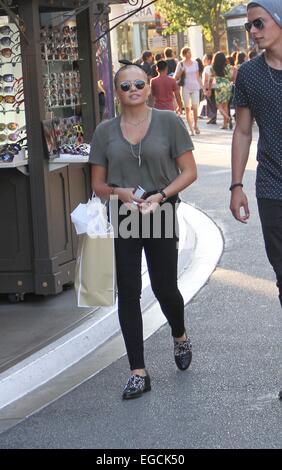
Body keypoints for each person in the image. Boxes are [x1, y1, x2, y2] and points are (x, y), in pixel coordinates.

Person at [89, 63, 197, 399]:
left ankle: (179, 335)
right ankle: (138, 371)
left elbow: (189, 172)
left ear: (148, 88)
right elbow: (98, 183)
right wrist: (119, 193)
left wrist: (161, 195)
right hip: (125, 215)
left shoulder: (169, 122)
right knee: (129, 291)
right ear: (116, 93)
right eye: (125, 85)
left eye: (139, 83)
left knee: (166, 288)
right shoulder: (104, 131)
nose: (133, 89)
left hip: (161, 210)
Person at [229, 0, 282, 400]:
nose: (254, 31)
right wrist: (235, 185)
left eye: (259, 23)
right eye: (250, 26)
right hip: (271, 188)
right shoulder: (248, 73)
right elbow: (244, 132)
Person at [174, 47, 203, 135]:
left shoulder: (195, 63)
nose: (189, 54)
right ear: (184, 54)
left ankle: (195, 125)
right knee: (187, 108)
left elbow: (198, 76)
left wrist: (202, 86)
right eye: (187, 53)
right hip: (186, 87)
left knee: (195, 107)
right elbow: (175, 77)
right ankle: (191, 129)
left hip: (195, 87)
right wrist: (181, 71)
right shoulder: (181, 64)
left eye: (190, 52)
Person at [210, 51, 233, 130]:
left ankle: (228, 118)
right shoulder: (228, 66)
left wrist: (209, 88)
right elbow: (231, 77)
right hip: (227, 85)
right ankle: (225, 124)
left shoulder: (213, 67)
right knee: (225, 105)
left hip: (219, 86)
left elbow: (212, 77)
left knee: (219, 106)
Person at [203, 53, 217, 124]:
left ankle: (213, 117)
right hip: (215, 86)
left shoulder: (207, 68)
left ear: (209, 60)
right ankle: (213, 117)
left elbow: (206, 79)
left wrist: (207, 89)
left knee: (211, 103)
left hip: (209, 86)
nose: (203, 60)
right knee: (213, 102)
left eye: (205, 59)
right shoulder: (213, 67)